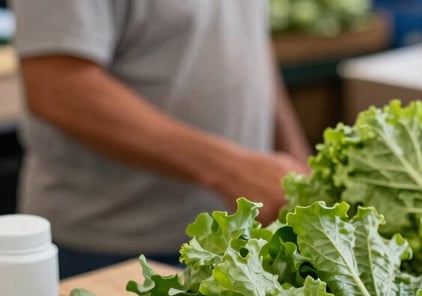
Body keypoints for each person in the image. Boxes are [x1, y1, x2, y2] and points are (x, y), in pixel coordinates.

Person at [10, 0, 312, 278]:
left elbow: (250, 45)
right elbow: (57, 88)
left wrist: (298, 159)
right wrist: (229, 169)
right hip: (110, 252)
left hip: (237, 240)